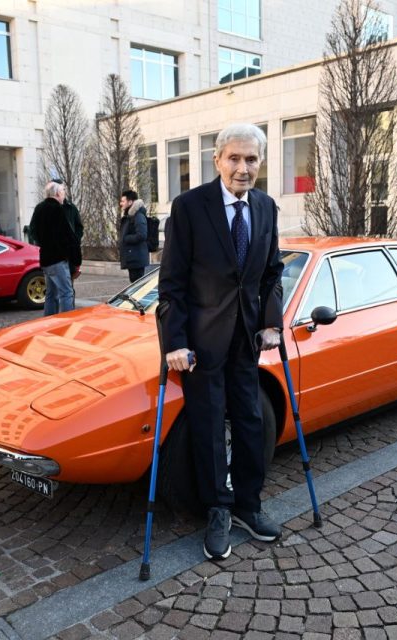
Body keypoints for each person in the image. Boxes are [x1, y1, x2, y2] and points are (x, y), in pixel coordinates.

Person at [159, 123, 284, 561]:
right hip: (200, 343)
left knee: (250, 422)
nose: (243, 168)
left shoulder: (267, 207)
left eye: (251, 159)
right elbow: (171, 283)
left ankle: (249, 504)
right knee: (210, 427)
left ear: (260, 163)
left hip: (248, 340)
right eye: (234, 158)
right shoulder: (191, 207)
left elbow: (271, 273)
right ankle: (218, 510)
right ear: (217, 160)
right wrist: (173, 341)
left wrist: (271, 322)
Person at [29, 182, 82, 314]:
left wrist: (43, 243)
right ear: (57, 193)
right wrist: (76, 258)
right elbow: (67, 236)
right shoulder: (57, 209)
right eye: (63, 191)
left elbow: (33, 231)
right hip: (58, 259)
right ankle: (66, 323)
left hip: (45, 258)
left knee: (51, 294)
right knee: (67, 292)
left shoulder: (39, 208)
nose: (64, 194)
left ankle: (49, 322)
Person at [118, 189, 150, 282]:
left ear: (130, 202)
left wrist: (126, 238)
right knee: (135, 284)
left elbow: (142, 235)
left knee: (137, 286)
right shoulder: (130, 215)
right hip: (133, 257)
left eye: (123, 201)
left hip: (136, 259)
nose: (121, 203)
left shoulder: (138, 216)